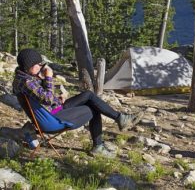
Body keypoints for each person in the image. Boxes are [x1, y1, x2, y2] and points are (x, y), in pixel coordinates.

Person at [13, 49, 143, 156]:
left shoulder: (24, 77)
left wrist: (58, 99)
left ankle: (120, 118)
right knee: (93, 108)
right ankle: (99, 146)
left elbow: (44, 99)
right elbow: (47, 98)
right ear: (30, 66)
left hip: (53, 110)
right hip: (51, 120)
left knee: (88, 95)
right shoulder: (27, 82)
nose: (41, 67)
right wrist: (48, 77)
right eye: (39, 64)